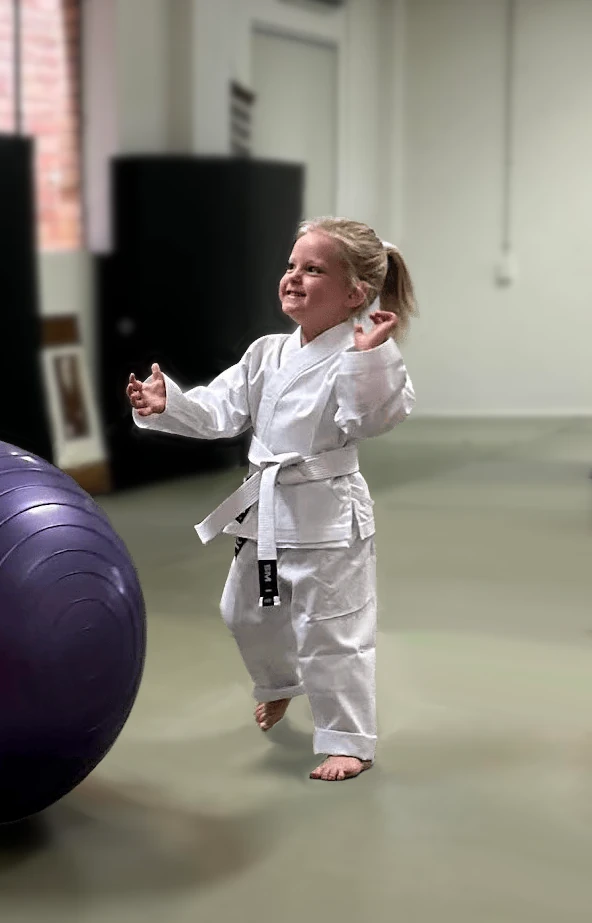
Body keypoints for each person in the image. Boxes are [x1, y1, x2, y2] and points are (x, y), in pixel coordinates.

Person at [126, 216, 417, 782]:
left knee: (332, 630)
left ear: (355, 293)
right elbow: (221, 410)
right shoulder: (266, 353)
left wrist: (369, 358)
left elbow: (371, 418)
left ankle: (348, 740)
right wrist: (170, 404)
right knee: (243, 611)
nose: (294, 277)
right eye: (291, 265)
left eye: (313, 269)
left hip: (329, 518)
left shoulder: (362, 354)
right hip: (267, 514)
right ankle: (281, 682)